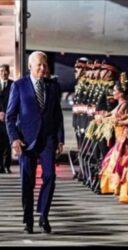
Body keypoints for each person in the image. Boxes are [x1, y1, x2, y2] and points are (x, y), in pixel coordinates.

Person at [6, 51, 64, 234]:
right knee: (27, 182)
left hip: (47, 140)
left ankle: (43, 216)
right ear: (30, 66)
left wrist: (60, 139)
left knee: (50, 177)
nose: (43, 68)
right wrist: (14, 139)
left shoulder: (53, 87)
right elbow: (10, 116)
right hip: (26, 142)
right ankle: (28, 220)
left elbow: (57, 115)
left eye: (44, 65)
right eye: (39, 65)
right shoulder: (19, 86)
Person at [0, 64, 13, 174]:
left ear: (9, 72)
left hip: (9, 119)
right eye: (2, 71)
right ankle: (0, 166)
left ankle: (7, 165)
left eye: (6, 71)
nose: (4, 73)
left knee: (8, 144)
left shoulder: (13, 85)